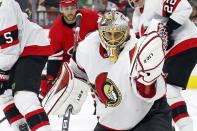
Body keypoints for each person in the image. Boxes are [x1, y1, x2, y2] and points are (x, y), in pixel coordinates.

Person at [43, 9, 172, 131]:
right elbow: (76, 71)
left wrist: (147, 79)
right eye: (108, 33)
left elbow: (147, 94)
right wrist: (71, 87)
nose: (112, 39)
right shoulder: (86, 48)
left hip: (148, 115)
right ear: (100, 32)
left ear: (126, 32)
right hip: (112, 119)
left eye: (117, 34)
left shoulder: (138, 52)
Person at [128, 0, 197, 131]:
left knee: (168, 90)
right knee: (160, 91)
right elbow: (141, 42)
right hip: (168, 53)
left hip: (185, 42)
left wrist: (167, 29)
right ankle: (168, 126)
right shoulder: (137, 16)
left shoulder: (155, 1)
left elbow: (184, 7)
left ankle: (186, 127)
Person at [0, 0, 54, 130]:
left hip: (30, 46)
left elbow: (10, 48)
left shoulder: (4, 6)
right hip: (15, 52)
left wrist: (2, 74)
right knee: (4, 95)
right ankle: (21, 127)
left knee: (24, 96)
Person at [40, 0, 99, 98]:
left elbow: (106, 25)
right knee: (51, 81)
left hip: (93, 57)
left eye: (72, 8)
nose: (70, 11)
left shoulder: (90, 16)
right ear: (61, 9)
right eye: (66, 8)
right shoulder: (56, 30)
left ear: (76, 7)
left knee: (98, 78)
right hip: (71, 62)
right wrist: (50, 78)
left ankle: (98, 102)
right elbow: (55, 59)